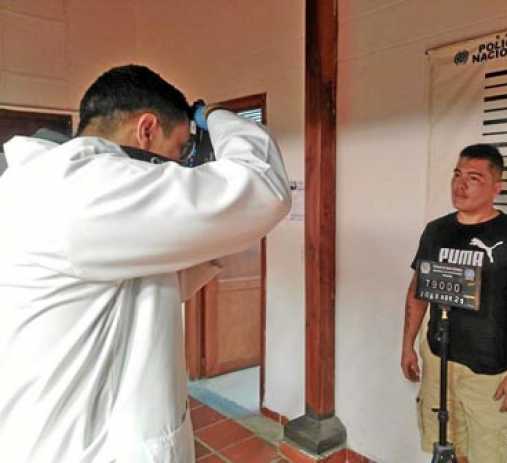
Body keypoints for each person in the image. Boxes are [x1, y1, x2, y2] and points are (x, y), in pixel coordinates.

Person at [0, 65, 291, 462]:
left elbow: (157, 287)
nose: (179, 164)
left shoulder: (39, 185)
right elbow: (264, 187)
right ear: (147, 130)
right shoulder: (88, 189)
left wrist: (211, 232)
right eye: (179, 149)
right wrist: (219, 116)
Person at [401, 144, 507, 463]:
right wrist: (407, 345)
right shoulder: (436, 231)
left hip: (490, 370)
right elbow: (418, 291)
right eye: (457, 175)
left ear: (497, 187)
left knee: (492, 453)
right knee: (449, 447)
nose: (460, 184)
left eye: (474, 177)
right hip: (439, 359)